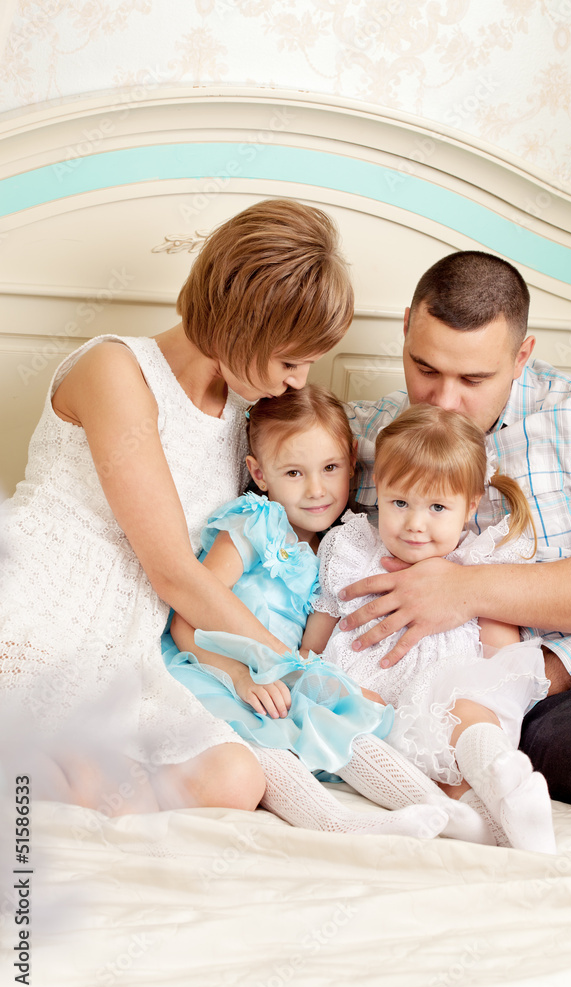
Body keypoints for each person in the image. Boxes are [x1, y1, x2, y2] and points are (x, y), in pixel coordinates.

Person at [0, 198, 356, 815]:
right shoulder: (115, 369)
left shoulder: (248, 416)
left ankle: (43, 777)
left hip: (144, 640)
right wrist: (298, 671)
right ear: (242, 328)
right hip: (50, 606)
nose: (299, 381)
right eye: (290, 360)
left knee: (237, 780)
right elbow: (171, 567)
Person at [341, 250, 571, 831]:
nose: (442, 400)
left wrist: (467, 590)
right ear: (405, 328)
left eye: (473, 379)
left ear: (522, 356)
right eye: (425, 368)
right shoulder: (372, 436)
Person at [163, 386, 493, 843]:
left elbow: (318, 640)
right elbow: (185, 616)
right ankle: (339, 824)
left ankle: (442, 812)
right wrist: (239, 676)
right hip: (219, 675)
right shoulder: (254, 523)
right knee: (268, 749)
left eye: (331, 469)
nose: (317, 490)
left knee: (345, 725)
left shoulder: (339, 549)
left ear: (353, 462)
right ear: (259, 473)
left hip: (281, 680)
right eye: (294, 472)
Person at [303, 403, 555, 853]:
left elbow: (498, 654)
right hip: (368, 686)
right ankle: (462, 816)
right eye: (400, 503)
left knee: (468, 719)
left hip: (443, 690)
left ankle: (507, 782)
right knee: (345, 717)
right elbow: (324, 615)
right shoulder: (352, 548)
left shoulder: (477, 563)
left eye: (437, 507)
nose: (415, 525)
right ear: (378, 487)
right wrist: (305, 664)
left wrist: (488, 694)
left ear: (470, 504)